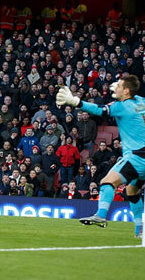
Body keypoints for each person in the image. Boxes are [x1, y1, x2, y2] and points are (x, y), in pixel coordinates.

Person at [57, 75, 145, 237]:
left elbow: (99, 110)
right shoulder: (140, 101)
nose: (115, 87)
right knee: (132, 191)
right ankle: (140, 229)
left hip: (136, 157)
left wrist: (76, 101)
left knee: (107, 182)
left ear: (126, 91)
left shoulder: (122, 106)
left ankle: (101, 216)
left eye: (118, 85)